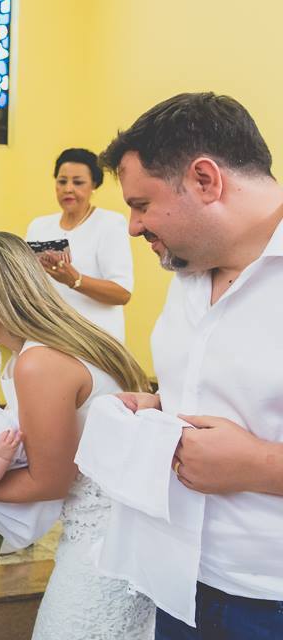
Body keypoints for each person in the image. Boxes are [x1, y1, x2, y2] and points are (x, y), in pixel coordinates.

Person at [92, 92, 283, 640]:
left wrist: (260, 465)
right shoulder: (188, 272)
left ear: (205, 180)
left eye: (142, 204)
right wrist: (158, 405)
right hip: (180, 578)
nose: (131, 226)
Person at [0, 231, 153, 640]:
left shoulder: (38, 363)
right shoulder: (47, 350)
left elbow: (47, 481)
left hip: (104, 545)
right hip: (124, 536)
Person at [26, 148, 133, 342]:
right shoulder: (39, 226)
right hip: (50, 338)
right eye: (62, 181)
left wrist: (75, 280)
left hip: (95, 341)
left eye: (78, 182)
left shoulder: (109, 224)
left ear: (94, 185)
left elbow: (122, 293)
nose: (68, 189)